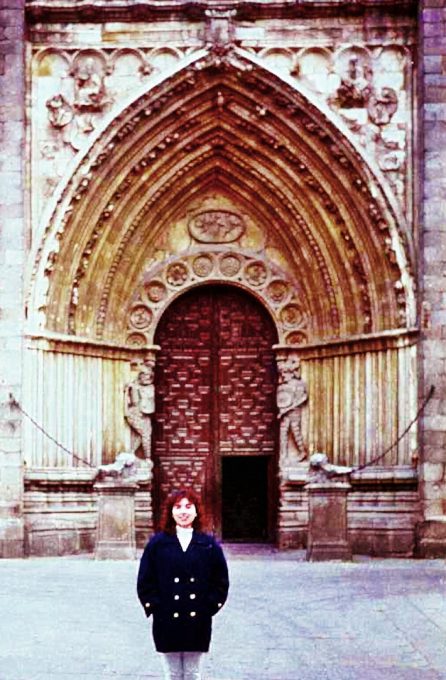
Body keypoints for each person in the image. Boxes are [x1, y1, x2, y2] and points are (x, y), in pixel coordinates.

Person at [137, 488, 229, 680]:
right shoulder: (157, 544)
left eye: (188, 506)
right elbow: (145, 580)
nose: (183, 511)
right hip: (166, 618)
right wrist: (155, 606)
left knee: (192, 673)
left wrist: (208, 607)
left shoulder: (208, 544)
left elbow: (220, 581)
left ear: (196, 511)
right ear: (171, 512)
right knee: (172, 674)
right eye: (178, 507)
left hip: (197, 619)